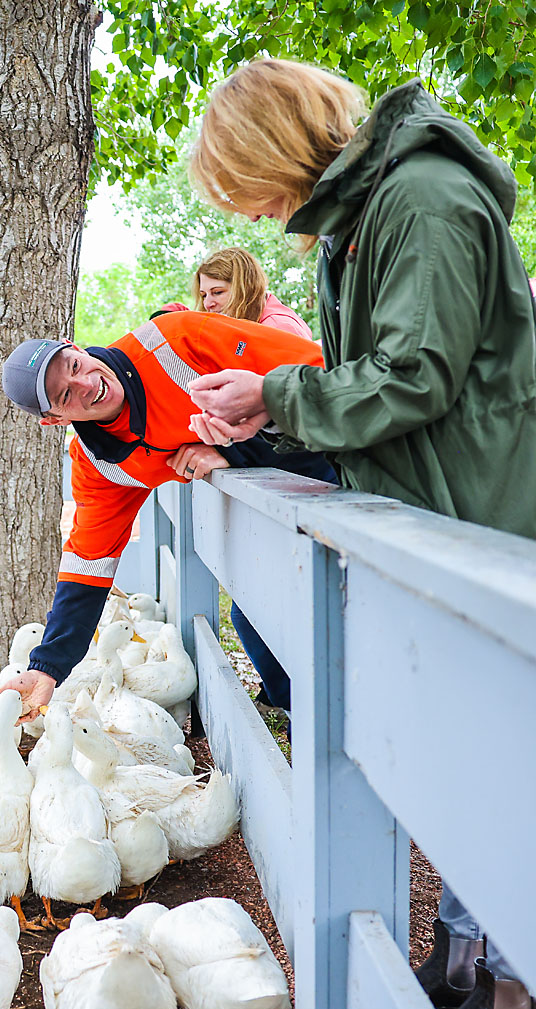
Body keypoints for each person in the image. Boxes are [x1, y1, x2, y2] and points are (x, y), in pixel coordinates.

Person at [186, 59, 536, 1009]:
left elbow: (415, 373)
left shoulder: (419, 199)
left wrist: (280, 396)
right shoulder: (358, 219)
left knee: (499, 763)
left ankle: (512, 1000)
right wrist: (271, 416)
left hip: (482, 514)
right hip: (433, 510)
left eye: (239, 182)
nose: (246, 212)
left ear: (275, 151)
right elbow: (367, 384)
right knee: (464, 758)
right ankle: (470, 957)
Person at [0, 310, 325, 729]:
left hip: (348, 469)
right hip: (287, 513)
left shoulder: (178, 340)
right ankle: (310, 721)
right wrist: (47, 666)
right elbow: (88, 562)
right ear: (55, 420)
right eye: (64, 396)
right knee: (258, 615)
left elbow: (318, 374)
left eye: (74, 366)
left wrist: (232, 454)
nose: (87, 384)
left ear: (76, 348)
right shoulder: (98, 463)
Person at [156, 248, 335, 717]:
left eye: (219, 292)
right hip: (280, 481)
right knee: (255, 607)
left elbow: (282, 420)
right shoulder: (234, 333)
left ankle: (296, 706)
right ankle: (289, 700)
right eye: (203, 294)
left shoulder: (276, 330)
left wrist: (223, 450)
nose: (209, 302)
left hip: (303, 483)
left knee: (259, 611)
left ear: (246, 286)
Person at [193, 247, 312, 337]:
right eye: (203, 295)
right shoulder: (253, 320)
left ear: (245, 289)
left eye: (218, 292)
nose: (207, 304)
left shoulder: (278, 327)